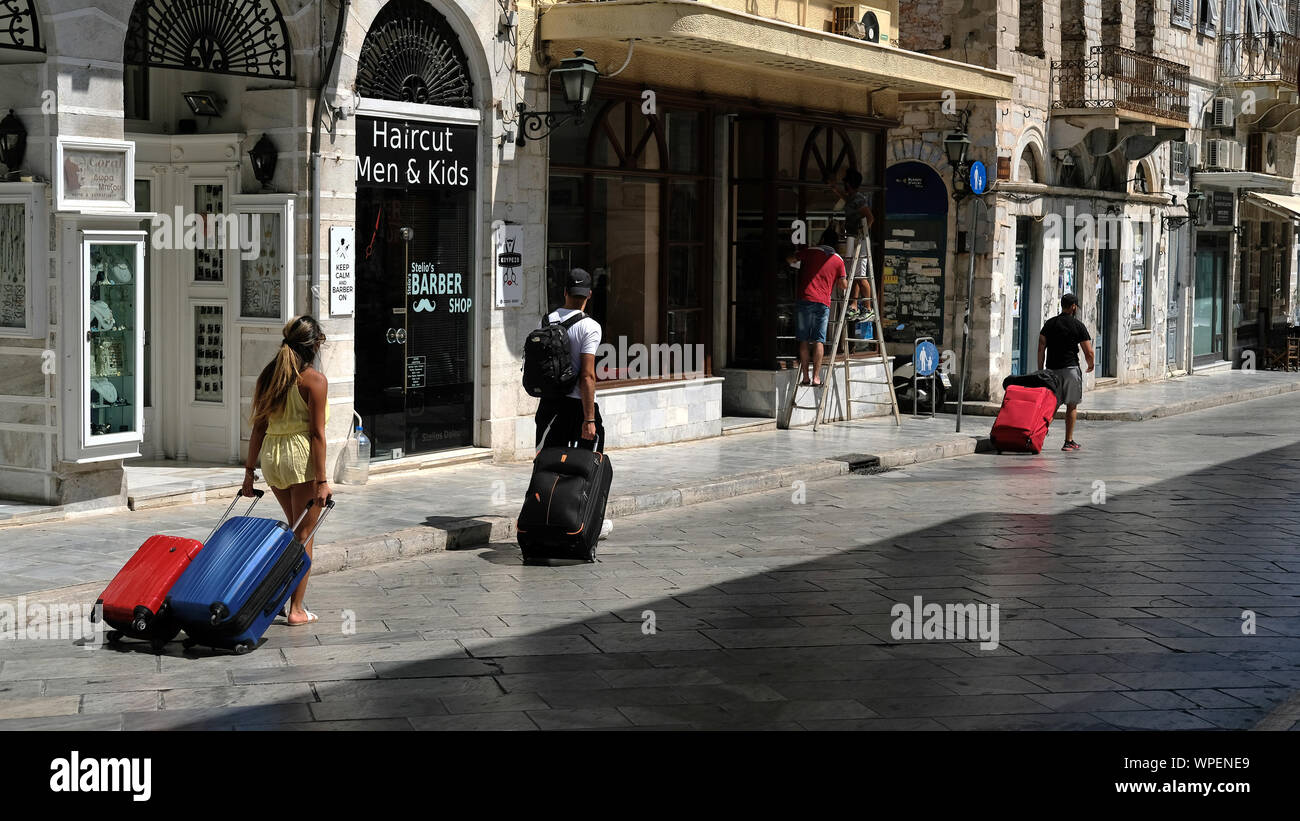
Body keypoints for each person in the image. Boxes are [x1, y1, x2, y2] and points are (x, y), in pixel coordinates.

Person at [242, 315, 330, 626]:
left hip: (272, 460)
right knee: (305, 537)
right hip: (299, 460)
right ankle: (296, 610)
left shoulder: (269, 375)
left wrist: (249, 473)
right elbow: (317, 434)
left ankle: (281, 599)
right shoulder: (314, 381)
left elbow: (258, 428)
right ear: (315, 345)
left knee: (295, 530)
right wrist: (322, 481)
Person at [535, 268, 613, 539]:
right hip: (577, 408)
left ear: (565, 292)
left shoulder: (548, 319)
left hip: (548, 407)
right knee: (588, 468)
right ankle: (585, 519)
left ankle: (541, 515)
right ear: (589, 295)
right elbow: (588, 375)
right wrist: (589, 419)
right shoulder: (590, 326)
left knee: (547, 466)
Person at [784, 226, 849, 387]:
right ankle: (816, 377)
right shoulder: (838, 260)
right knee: (819, 340)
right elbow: (843, 285)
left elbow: (790, 259)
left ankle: (805, 376)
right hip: (822, 303)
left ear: (822, 240)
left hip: (805, 299)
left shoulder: (810, 251)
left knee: (804, 340)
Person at [1037, 293, 1095, 452]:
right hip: (1070, 370)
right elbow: (1088, 351)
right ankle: (1068, 441)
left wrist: (1040, 369)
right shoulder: (1078, 325)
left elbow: (1041, 347)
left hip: (1052, 370)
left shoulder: (1049, 324)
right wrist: (1091, 364)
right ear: (1073, 307)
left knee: (1050, 406)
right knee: (1072, 405)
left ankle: (1036, 436)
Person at [831, 167, 876, 322]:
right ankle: (854, 305)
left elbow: (870, 218)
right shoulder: (852, 197)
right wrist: (834, 188)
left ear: (848, 184)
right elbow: (845, 198)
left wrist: (862, 234)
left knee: (861, 275)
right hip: (852, 238)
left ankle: (869, 308)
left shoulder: (858, 199)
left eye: (844, 183)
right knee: (853, 273)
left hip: (858, 240)